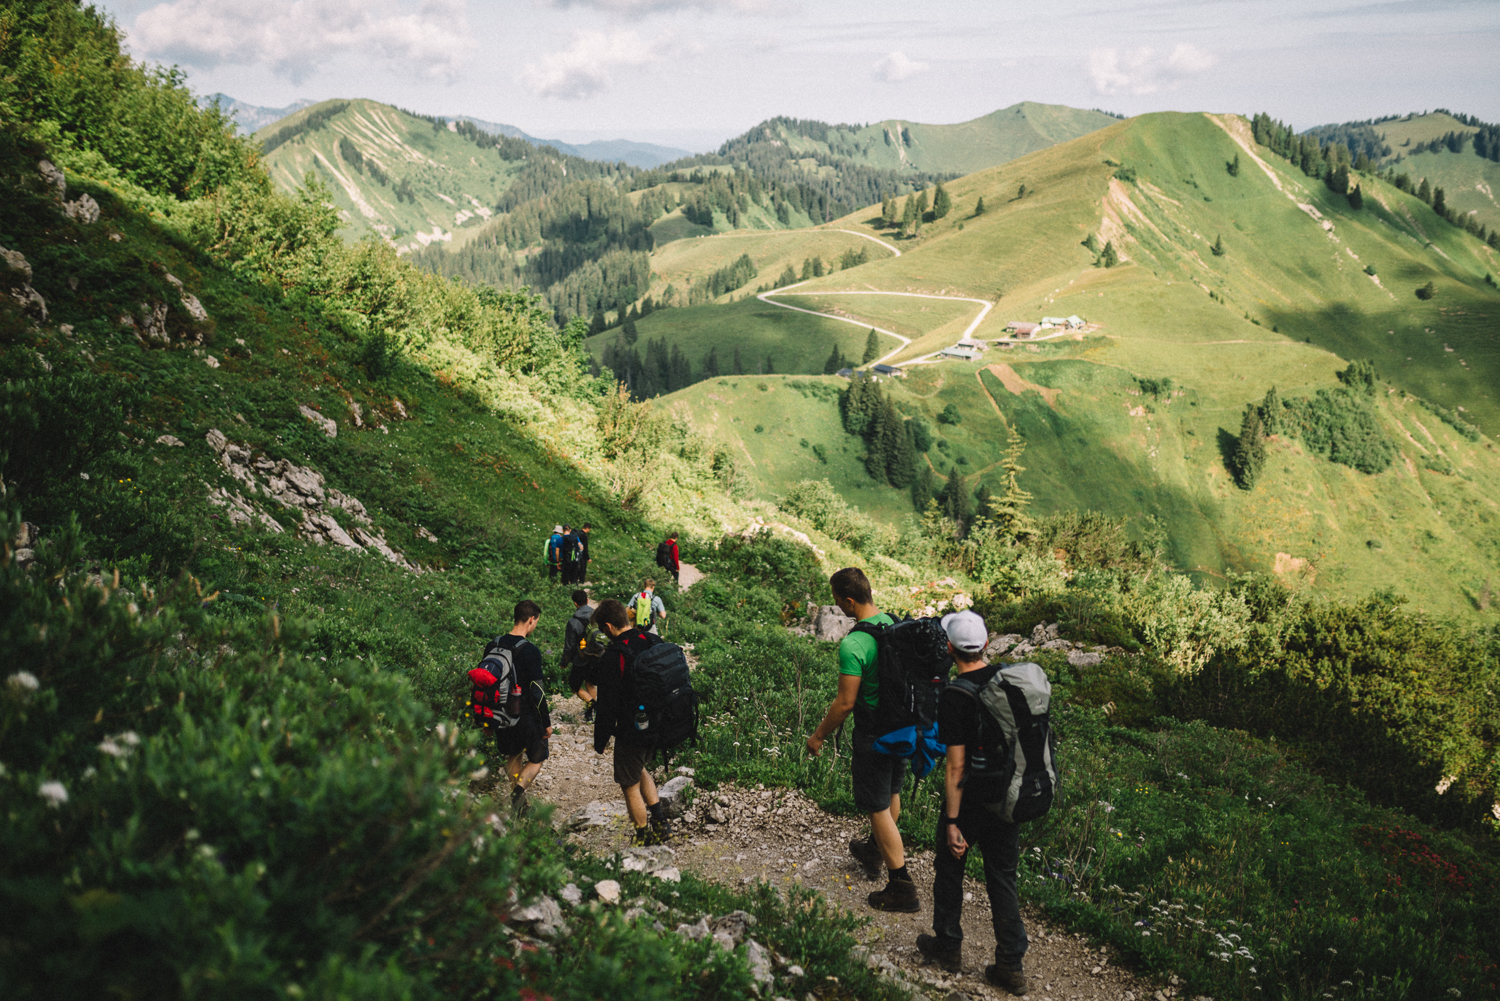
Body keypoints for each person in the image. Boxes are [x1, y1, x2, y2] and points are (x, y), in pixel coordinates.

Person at [916, 609, 1029, 994]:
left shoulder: (955, 694)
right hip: (1008, 795)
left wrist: (952, 821)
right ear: (985, 644)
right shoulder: (1007, 679)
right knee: (1003, 877)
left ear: (949, 648)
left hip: (971, 801)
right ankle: (1011, 964)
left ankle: (947, 946)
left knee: (950, 867)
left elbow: (956, 766)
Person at [805, 567, 917, 912]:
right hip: (904, 727)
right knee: (892, 793)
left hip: (874, 734)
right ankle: (873, 850)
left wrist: (818, 736)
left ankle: (901, 885)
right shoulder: (895, 624)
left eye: (838, 600)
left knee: (877, 806)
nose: (837, 605)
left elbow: (845, 703)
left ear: (850, 601)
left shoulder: (854, 643)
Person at [590, 598, 672, 845]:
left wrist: (600, 740)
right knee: (638, 767)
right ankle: (660, 821)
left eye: (603, 630)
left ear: (608, 627)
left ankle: (643, 838)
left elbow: (606, 705)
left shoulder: (613, 655)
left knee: (628, 783)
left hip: (632, 729)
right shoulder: (653, 640)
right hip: (659, 723)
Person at [492, 600, 551, 816]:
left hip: (499, 711)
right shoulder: (530, 650)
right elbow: (537, 691)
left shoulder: (494, 644)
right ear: (531, 620)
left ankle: (517, 805)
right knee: (538, 755)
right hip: (524, 714)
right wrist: (546, 723)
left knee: (513, 753)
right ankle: (517, 795)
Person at [562, 589, 598, 721]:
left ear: (575, 604)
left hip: (581, 658)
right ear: (587, 600)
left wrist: (564, 662)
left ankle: (592, 704)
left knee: (574, 685)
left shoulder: (573, 622)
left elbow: (570, 646)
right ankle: (592, 714)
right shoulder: (597, 616)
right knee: (590, 682)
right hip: (596, 656)